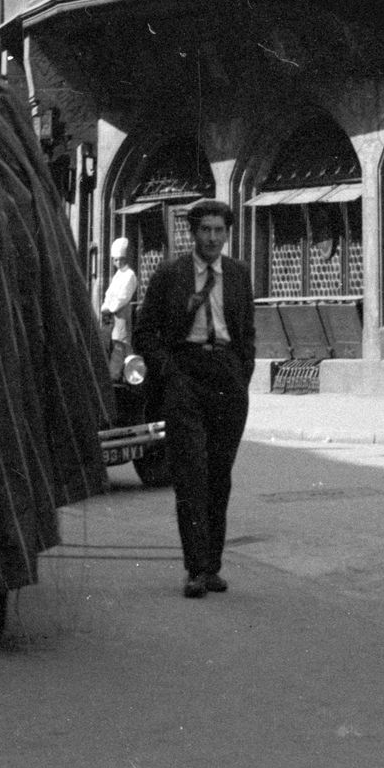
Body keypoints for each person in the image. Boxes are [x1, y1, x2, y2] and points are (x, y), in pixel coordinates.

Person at [134, 198, 255, 598]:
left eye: (219, 230)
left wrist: (240, 374)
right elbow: (145, 333)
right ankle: (195, 569)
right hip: (185, 376)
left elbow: (247, 333)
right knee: (190, 474)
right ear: (192, 233)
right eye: (205, 230)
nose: (212, 238)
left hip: (226, 381)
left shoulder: (238, 274)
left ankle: (213, 566)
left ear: (227, 233)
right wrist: (170, 374)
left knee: (220, 475)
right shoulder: (171, 275)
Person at [99, 235, 138, 381]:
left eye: (120, 259)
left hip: (121, 315)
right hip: (110, 317)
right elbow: (109, 294)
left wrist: (110, 307)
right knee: (113, 345)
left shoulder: (130, 276)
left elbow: (122, 298)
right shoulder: (118, 275)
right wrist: (106, 305)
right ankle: (124, 374)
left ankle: (116, 376)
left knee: (120, 345)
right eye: (115, 260)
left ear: (125, 259)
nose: (118, 262)